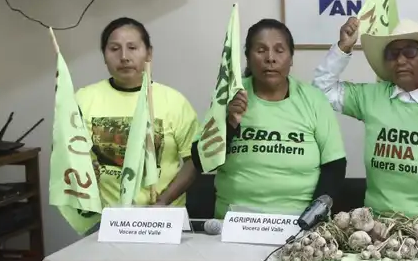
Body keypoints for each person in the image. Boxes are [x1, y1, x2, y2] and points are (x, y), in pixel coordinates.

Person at [157, 19, 347, 217]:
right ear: (247, 57)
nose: (270, 58)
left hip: (299, 222)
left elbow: (334, 165)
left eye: (279, 50)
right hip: (234, 221)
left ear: (291, 58)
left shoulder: (314, 99)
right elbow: (200, 160)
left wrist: (313, 216)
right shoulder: (229, 96)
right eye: (261, 50)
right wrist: (230, 123)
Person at [313, 17, 418, 219]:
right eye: (393, 54)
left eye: (410, 52)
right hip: (378, 229)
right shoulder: (371, 97)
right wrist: (343, 47)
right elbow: (321, 90)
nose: (400, 60)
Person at [76, 17, 198, 210]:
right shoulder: (83, 99)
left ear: (148, 53)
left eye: (132, 48)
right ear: (104, 55)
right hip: (105, 217)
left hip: (163, 215)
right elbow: (70, 157)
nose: (124, 57)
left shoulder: (174, 102)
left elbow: (194, 160)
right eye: (114, 49)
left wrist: (163, 201)